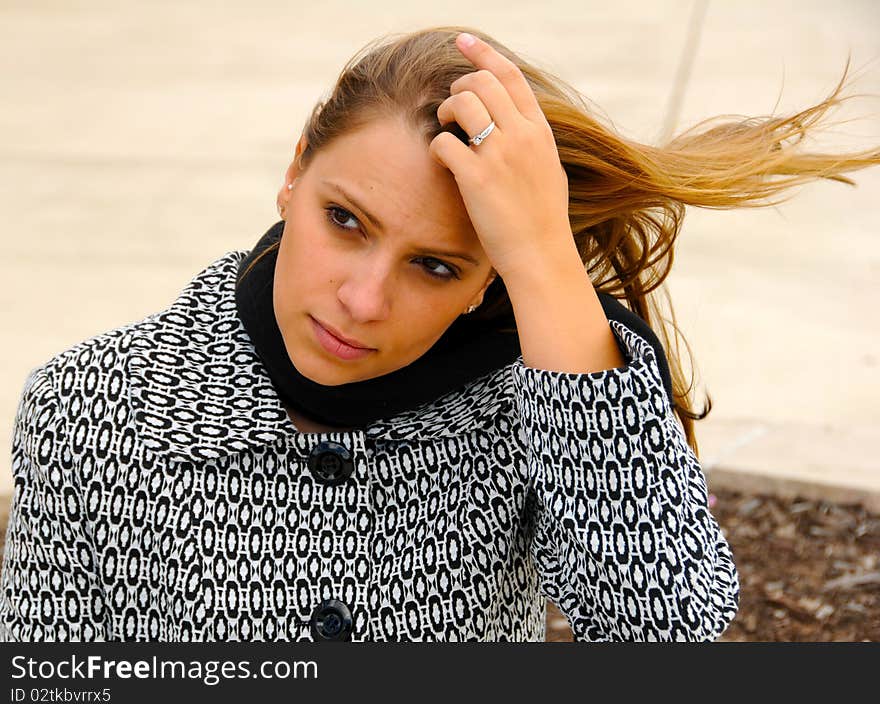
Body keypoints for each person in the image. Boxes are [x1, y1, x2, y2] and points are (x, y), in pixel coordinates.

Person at [1, 26, 878, 643]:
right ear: (296, 168)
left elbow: (661, 629)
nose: (363, 299)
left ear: (489, 277)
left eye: (436, 267)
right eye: (344, 219)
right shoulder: (92, 406)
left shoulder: (532, 389)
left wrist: (541, 257)